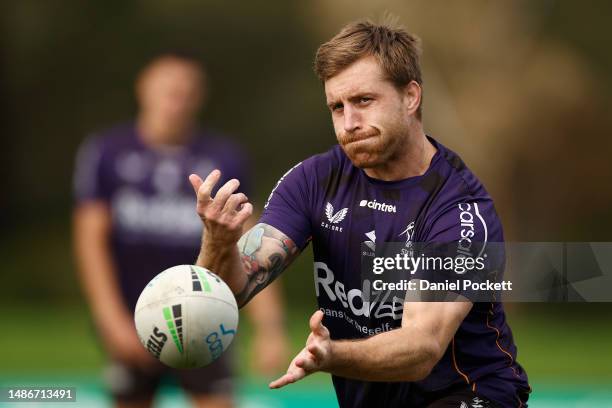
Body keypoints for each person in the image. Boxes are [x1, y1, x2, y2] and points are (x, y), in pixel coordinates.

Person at [188, 20, 532, 408]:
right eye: (337, 107)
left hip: (470, 394)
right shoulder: (313, 182)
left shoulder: (459, 210)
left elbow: (422, 348)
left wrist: (332, 355)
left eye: (364, 101)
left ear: (411, 97)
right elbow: (231, 290)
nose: (349, 123)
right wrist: (217, 242)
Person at [73, 52, 289, 408]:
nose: (176, 101)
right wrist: (110, 319)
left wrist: (270, 327)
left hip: (208, 310)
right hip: (134, 313)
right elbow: (90, 241)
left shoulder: (224, 157)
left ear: (199, 97)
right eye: (168, 91)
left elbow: (251, 241)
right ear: (143, 90)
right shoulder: (106, 152)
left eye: (186, 93)